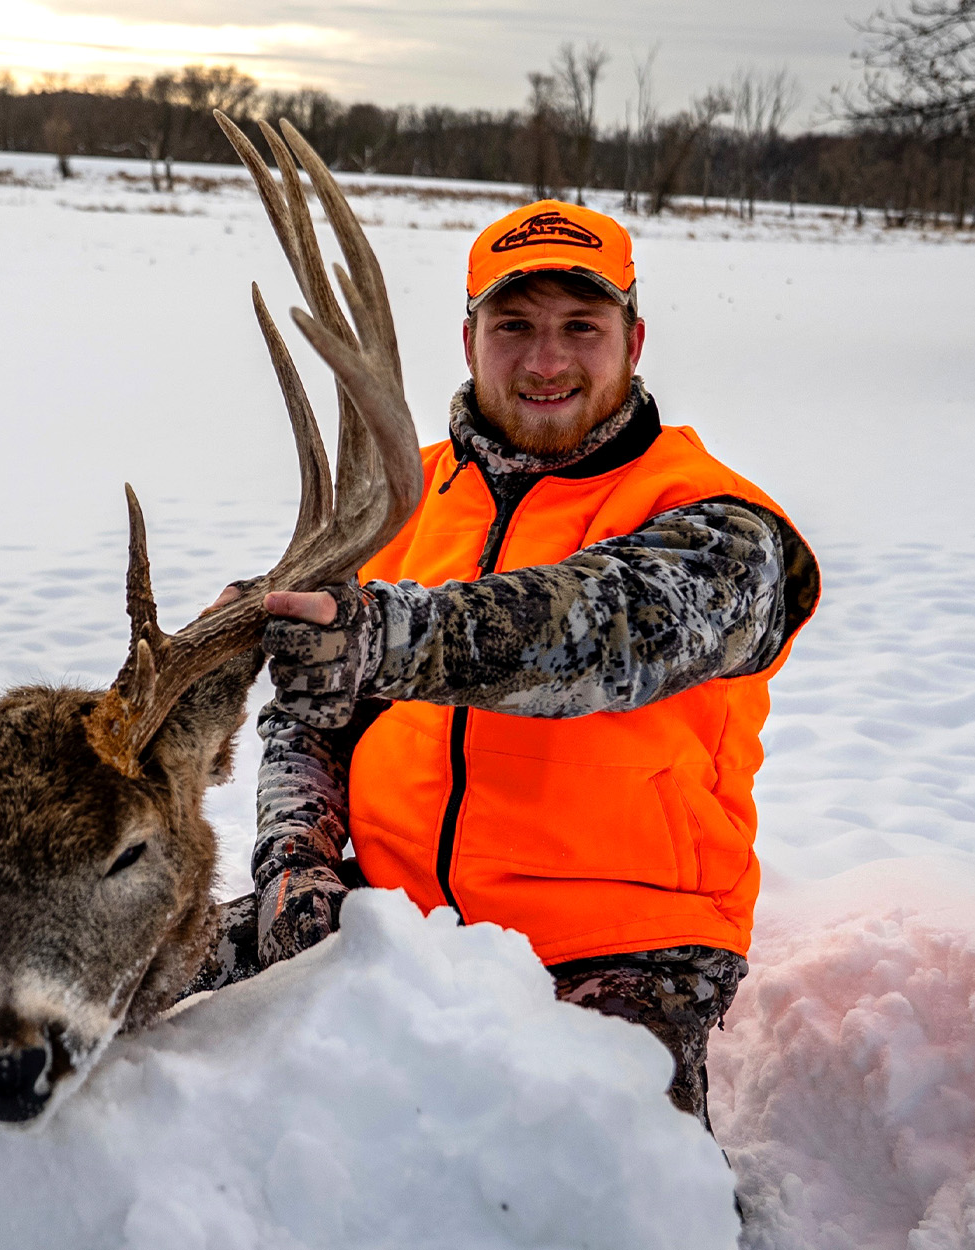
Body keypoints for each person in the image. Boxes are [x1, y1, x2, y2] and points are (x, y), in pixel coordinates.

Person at [190, 200, 821, 1133]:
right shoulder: (397, 503)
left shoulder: (719, 524)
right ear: (470, 337)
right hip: (388, 910)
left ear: (634, 340)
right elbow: (312, 710)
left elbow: (599, 632)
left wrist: (381, 637)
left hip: (622, 944)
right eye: (514, 325)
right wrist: (297, 860)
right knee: (104, 972)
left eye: (581, 327)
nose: (545, 361)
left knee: (586, 1174)